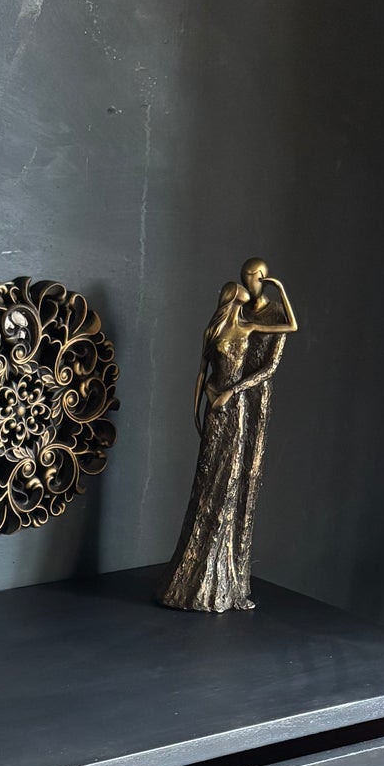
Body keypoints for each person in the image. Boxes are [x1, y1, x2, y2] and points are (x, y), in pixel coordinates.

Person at [158, 259, 298, 613]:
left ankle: (226, 581)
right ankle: (194, 578)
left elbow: (273, 360)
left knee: (236, 482)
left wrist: (231, 391)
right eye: (241, 284)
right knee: (210, 482)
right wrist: (203, 403)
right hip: (220, 407)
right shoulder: (225, 326)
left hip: (244, 405)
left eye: (253, 280)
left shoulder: (259, 321)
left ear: (263, 279)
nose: (246, 288)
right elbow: (202, 371)